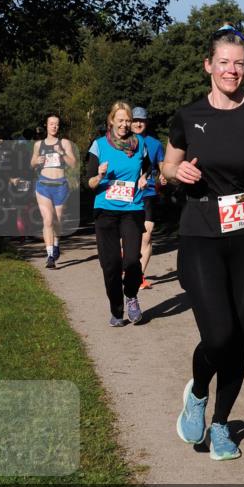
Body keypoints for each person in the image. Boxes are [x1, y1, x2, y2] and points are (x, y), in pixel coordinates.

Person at [164, 25, 244, 461]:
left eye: (239, 64)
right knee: (219, 333)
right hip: (202, 229)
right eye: (224, 62)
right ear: (209, 65)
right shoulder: (188, 116)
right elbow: (167, 167)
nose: (232, 70)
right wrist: (177, 173)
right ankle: (197, 391)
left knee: (240, 334)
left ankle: (223, 424)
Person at [86, 102, 149, 326]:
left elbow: (149, 167)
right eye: (120, 120)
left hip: (132, 208)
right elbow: (90, 183)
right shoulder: (99, 145)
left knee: (132, 260)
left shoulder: (140, 143)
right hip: (105, 210)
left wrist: (145, 178)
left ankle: (131, 295)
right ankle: (116, 308)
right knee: (111, 264)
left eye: (127, 120)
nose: (124, 125)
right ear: (111, 121)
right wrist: (100, 175)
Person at [31, 114, 76, 269]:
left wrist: (62, 153)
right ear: (46, 125)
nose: (54, 127)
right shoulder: (39, 145)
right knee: (48, 220)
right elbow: (32, 163)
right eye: (51, 124)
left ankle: (56, 244)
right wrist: (36, 162)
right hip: (43, 185)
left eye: (56, 124)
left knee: (57, 220)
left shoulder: (64, 143)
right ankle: (50, 255)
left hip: (60, 185)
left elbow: (73, 164)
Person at [129, 107, 166, 289]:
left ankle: (139, 276)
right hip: (127, 193)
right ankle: (128, 264)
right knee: (128, 235)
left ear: (146, 123)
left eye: (141, 121)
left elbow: (162, 166)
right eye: (135, 120)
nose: (138, 123)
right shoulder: (122, 142)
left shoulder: (155, 144)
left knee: (147, 234)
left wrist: (164, 176)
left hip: (149, 192)